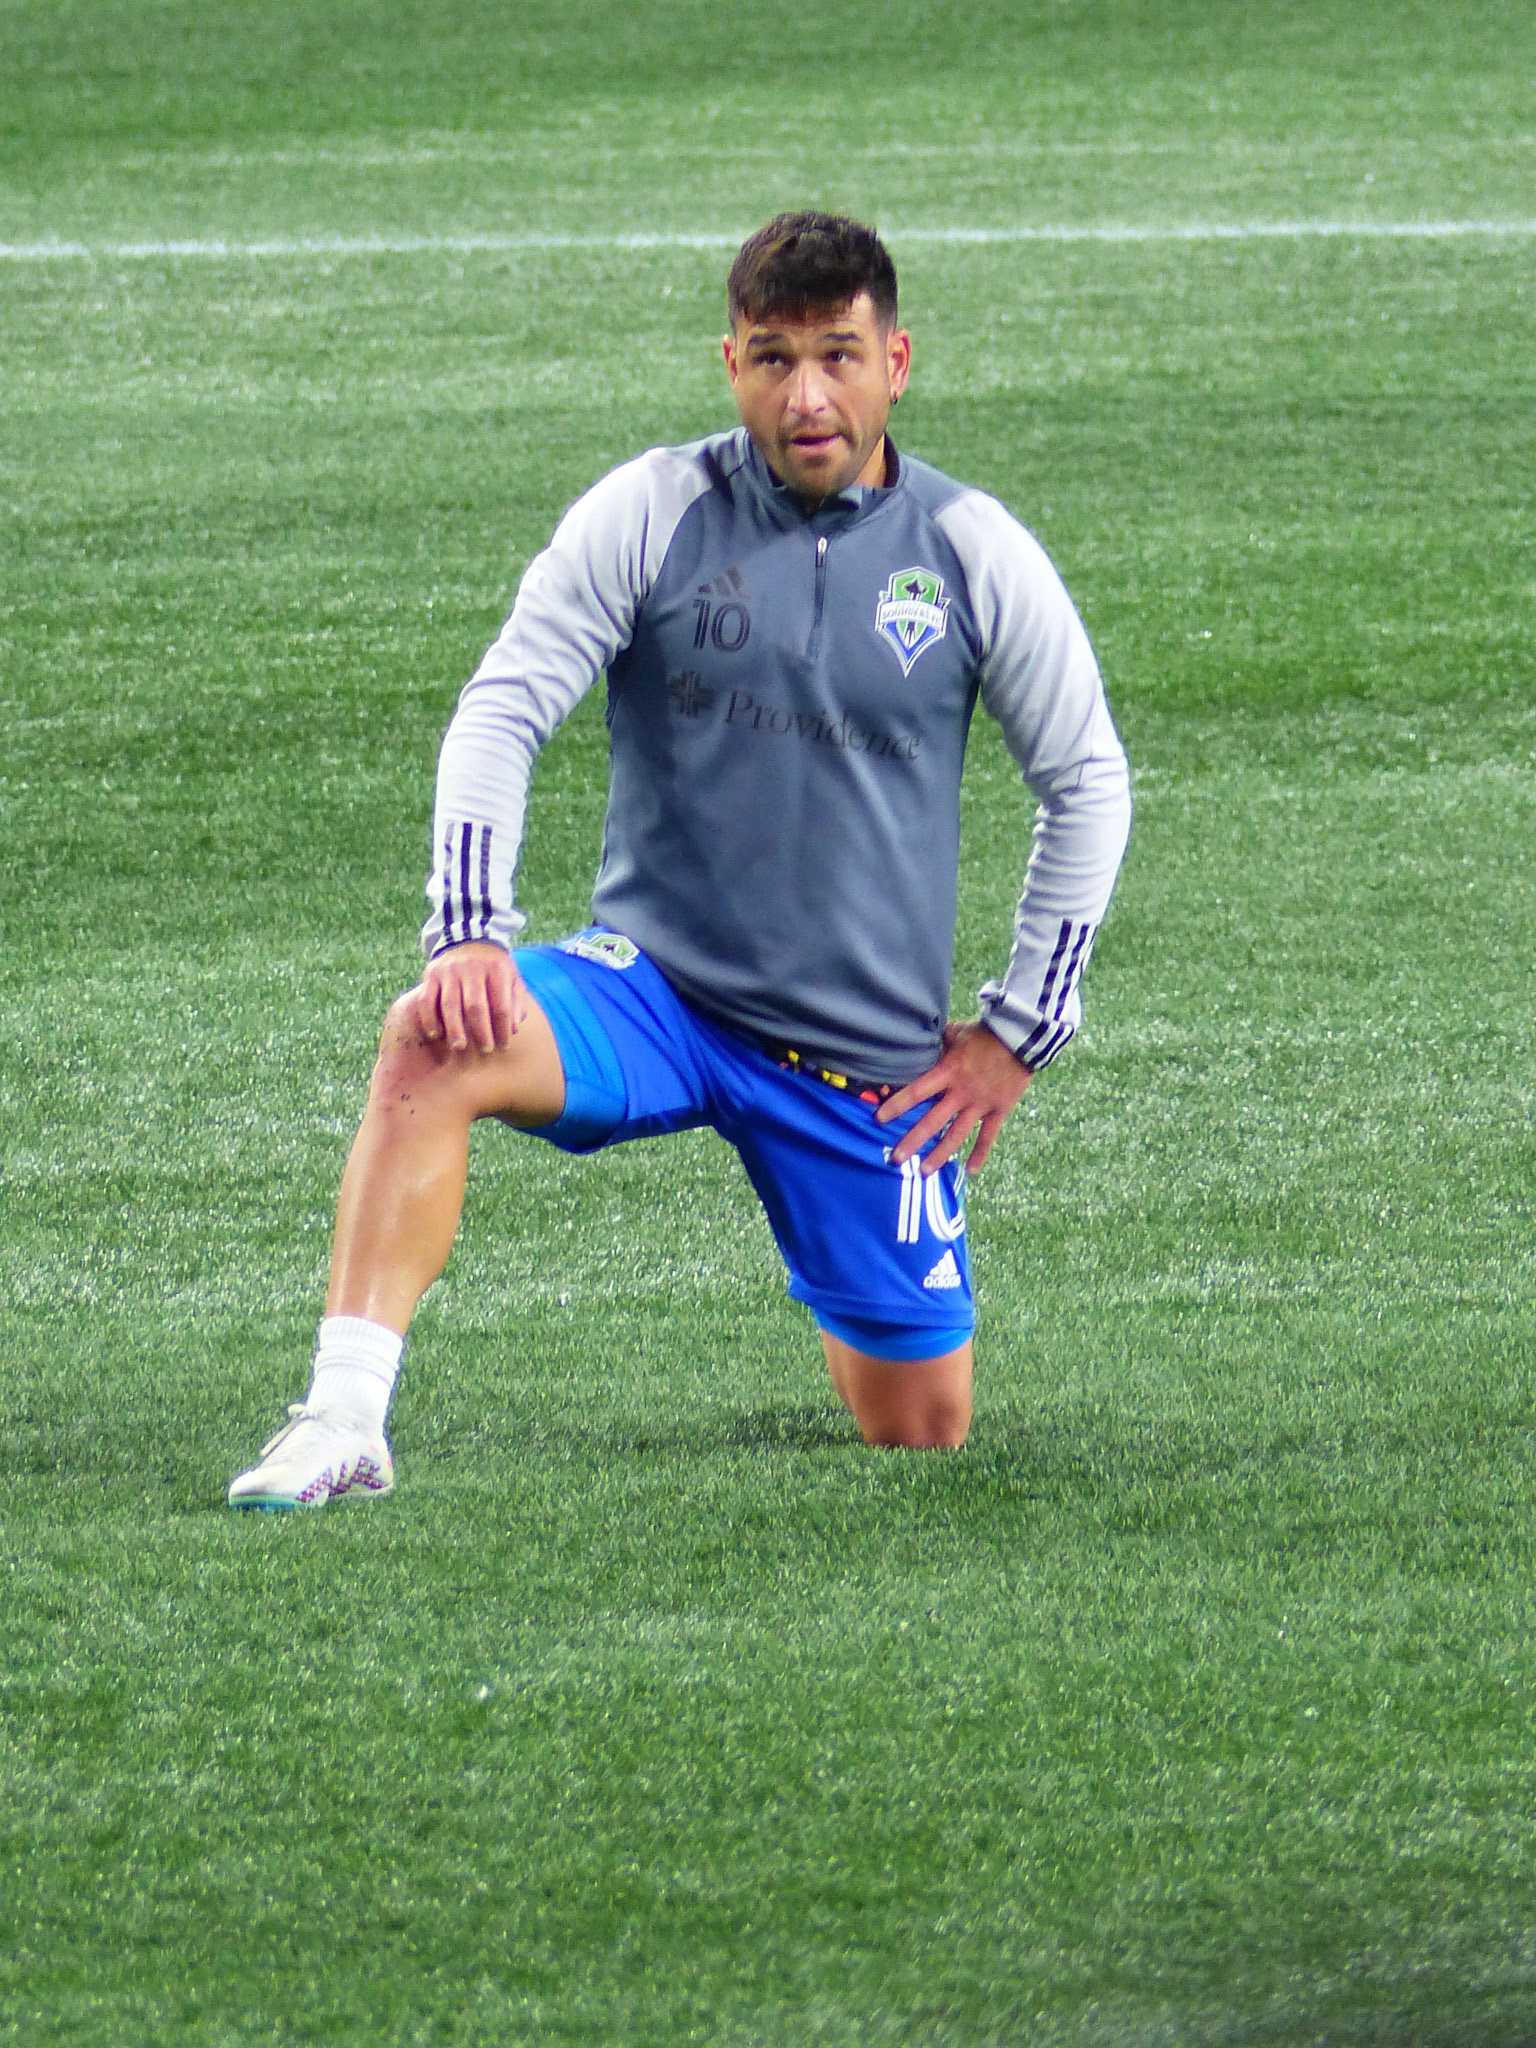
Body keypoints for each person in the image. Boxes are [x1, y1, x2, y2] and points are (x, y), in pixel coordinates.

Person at [228, 209, 1131, 1509]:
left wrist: (1018, 1032)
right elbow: (503, 707)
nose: (807, 396)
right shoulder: (653, 510)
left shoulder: (973, 550)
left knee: (921, 1428)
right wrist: (469, 930)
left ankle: (846, 1265)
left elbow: (1087, 784)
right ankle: (343, 1421)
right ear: (731, 365)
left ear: (896, 362)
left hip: (859, 1063)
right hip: (653, 994)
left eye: (838, 356)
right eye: (774, 359)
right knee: (431, 1037)